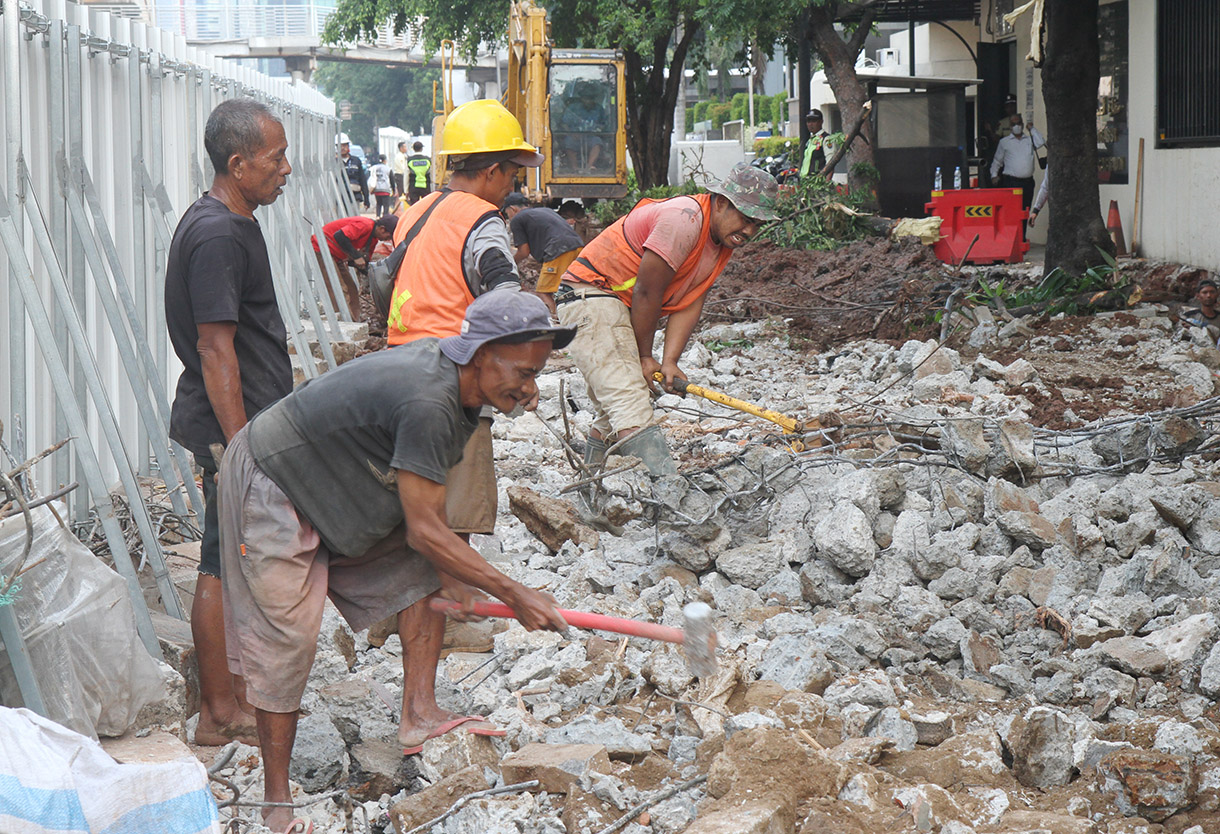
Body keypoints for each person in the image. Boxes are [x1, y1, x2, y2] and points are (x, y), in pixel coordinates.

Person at [218, 291, 574, 832]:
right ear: (481, 353)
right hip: (275, 478)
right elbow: (425, 529)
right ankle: (276, 804)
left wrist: (457, 581)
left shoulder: (460, 398)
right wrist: (516, 594)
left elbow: (431, 520)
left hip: (335, 480)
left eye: (536, 374)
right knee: (286, 638)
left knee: (429, 569)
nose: (531, 389)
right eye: (524, 373)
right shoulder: (429, 401)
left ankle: (419, 714)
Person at [163, 98, 293, 748]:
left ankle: (235, 696)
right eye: (276, 158)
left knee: (236, 559)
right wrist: (241, 448)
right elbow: (217, 351)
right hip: (229, 429)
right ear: (238, 164)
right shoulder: (216, 234)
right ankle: (219, 710)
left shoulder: (233, 222)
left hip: (246, 424)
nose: (286, 169)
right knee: (220, 560)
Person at [384, 98, 544, 622]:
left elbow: (384, 280)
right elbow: (501, 298)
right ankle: (453, 615)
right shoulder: (482, 219)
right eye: (512, 173)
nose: (512, 185)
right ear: (492, 169)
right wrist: (522, 374)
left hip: (398, 367)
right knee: (456, 511)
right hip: (451, 375)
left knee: (414, 504)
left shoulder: (416, 211)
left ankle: (405, 614)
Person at [556, 163, 779, 475]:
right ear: (722, 202)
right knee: (628, 398)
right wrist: (646, 357)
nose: (750, 231)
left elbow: (691, 299)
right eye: (746, 219)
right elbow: (647, 292)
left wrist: (670, 360)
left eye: (757, 224)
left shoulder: (719, 241)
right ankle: (670, 496)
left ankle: (592, 491)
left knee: (615, 405)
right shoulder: (684, 219)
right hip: (589, 293)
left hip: (612, 301)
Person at [502, 192, 585, 302]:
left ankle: (556, 317)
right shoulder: (544, 211)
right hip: (578, 246)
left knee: (543, 291)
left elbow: (524, 252)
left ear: (512, 209)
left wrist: (510, 264)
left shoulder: (517, 219)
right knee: (570, 288)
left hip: (558, 250)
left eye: (507, 214)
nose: (509, 217)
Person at [311, 214, 398, 317]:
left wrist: (375, 276)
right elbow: (340, 236)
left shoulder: (373, 240)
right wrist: (356, 256)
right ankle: (341, 320)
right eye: (388, 236)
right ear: (382, 229)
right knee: (339, 288)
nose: (386, 239)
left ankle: (354, 319)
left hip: (337, 256)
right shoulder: (365, 225)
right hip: (322, 249)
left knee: (351, 288)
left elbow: (364, 264)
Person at [990, 114, 1045, 217]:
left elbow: (1040, 142)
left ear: (1022, 124)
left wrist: (1032, 129)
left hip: (1027, 183)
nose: (1016, 126)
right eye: (1013, 124)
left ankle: (1022, 233)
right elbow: (997, 161)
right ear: (1010, 126)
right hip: (1011, 182)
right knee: (1012, 212)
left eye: (1018, 123)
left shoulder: (1029, 140)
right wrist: (994, 175)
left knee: (1024, 212)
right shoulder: (1004, 142)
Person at [554, 80, 608, 173]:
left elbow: (603, 125)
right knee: (568, 142)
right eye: (586, 98)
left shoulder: (599, 109)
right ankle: (575, 168)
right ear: (581, 98)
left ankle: (589, 167)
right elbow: (564, 123)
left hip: (591, 137)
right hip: (575, 137)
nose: (588, 100)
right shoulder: (573, 108)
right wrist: (571, 134)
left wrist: (598, 130)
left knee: (597, 142)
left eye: (591, 98)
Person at [1181, 278, 1220, 342]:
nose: (1209, 295)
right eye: (1205, 292)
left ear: (1217, 295)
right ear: (1198, 296)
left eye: (1212, 292)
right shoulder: (1188, 316)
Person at [339, 135, 369, 209]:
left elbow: (362, 180)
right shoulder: (335, 162)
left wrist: (366, 198)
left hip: (355, 196)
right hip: (340, 197)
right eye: (340, 146)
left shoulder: (356, 161)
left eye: (344, 145)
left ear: (348, 146)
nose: (342, 148)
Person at [800, 109, 829, 178]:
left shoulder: (826, 139)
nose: (810, 124)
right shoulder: (810, 140)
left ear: (821, 122)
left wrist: (826, 184)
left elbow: (830, 164)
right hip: (805, 181)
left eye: (814, 121)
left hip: (817, 182)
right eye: (808, 121)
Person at [406, 140, 433, 205]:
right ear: (421, 149)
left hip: (413, 186)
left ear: (413, 149)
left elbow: (406, 176)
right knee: (426, 206)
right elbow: (431, 174)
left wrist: (406, 190)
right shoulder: (428, 160)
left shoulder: (409, 160)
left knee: (414, 207)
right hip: (426, 186)